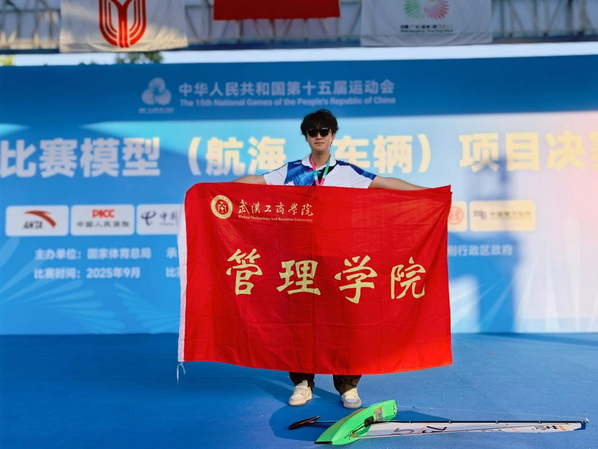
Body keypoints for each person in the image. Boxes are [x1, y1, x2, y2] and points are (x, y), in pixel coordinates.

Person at [234, 109, 425, 409]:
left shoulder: (347, 173)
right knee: (300, 324)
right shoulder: (291, 171)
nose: (319, 136)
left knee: (344, 324)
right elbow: (256, 181)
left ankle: (348, 385)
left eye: (324, 131)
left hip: (338, 261)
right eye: (313, 131)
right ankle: (302, 382)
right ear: (306, 137)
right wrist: (213, 192)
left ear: (333, 135)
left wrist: (430, 194)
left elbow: (385, 183)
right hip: (300, 263)